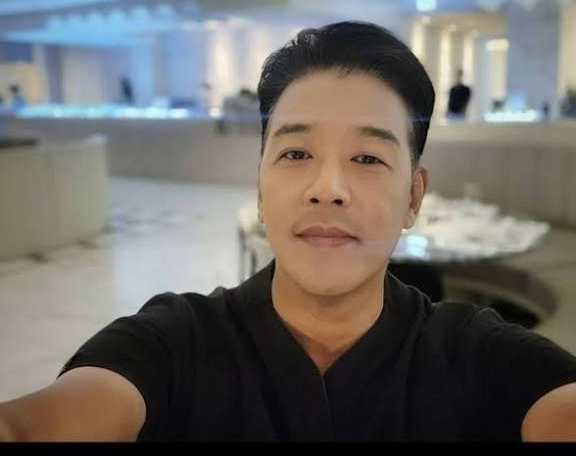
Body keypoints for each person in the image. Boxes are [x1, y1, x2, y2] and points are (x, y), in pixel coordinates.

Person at [1, 22, 576, 442]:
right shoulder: (173, 344)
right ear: (260, 186)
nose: (328, 189)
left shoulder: (476, 354)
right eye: (296, 153)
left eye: (368, 158)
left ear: (413, 197)